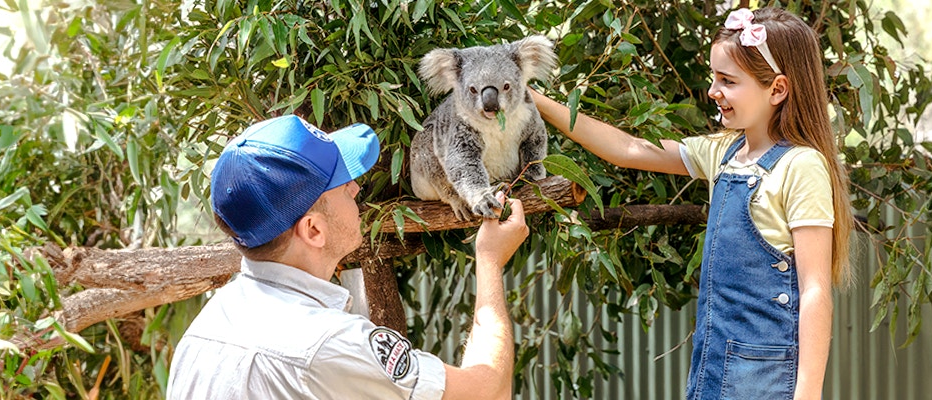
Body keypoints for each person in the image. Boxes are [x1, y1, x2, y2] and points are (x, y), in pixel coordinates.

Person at [530, 7, 852, 400]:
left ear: (777, 89)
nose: (714, 91)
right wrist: (534, 100)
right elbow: (629, 149)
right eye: (714, 77)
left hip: (764, 378)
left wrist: (808, 392)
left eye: (728, 81)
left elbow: (816, 288)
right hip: (712, 364)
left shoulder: (801, 166)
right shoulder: (724, 152)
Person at [166, 115, 528, 399]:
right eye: (342, 185)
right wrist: (489, 261)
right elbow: (488, 392)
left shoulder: (210, 325)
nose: (356, 187)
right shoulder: (327, 345)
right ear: (313, 230)